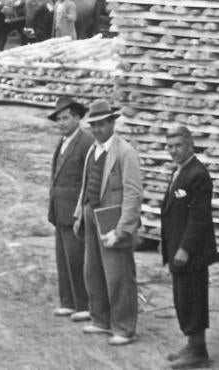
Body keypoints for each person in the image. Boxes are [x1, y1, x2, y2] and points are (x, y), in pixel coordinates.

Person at [73, 99, 143, 346]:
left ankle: (124, 328)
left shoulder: (125, 152)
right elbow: (86, 184)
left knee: (118, 275)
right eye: (94, 125)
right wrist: (80, 213)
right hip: (92, 214)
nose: (98, 130)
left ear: (112, 123)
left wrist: (123, 229)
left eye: (102, 125)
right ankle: (101, 319)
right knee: (93, 270)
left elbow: (133, 194)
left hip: (112, 218)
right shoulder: (93, 149)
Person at [161, 126, 218, 369]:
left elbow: (199, 217)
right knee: (182, 298)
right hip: (177, 247)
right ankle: (191, 344)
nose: (174, 151)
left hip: (192, 252)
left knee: (193, 298)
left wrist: (184, 248)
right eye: (170, 146)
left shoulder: (198, 174)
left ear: (190, 145)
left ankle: (199, 351)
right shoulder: (180, 171)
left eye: (178, 146)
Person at [47, 96, 95, 324]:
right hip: (59, 209)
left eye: (66, 118)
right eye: (59, 119)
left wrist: (83, 209)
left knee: (77, 258)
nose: (62, 123)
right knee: (63, 258)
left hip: (74, 210)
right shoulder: (63, 142)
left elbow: (89, 179)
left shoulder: (85, 142)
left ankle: (84, 304)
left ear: (77, 118)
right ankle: (68, 301)